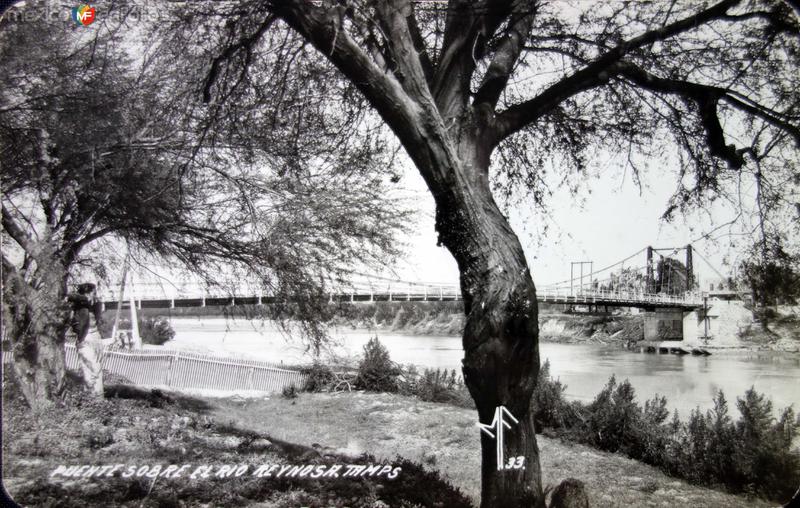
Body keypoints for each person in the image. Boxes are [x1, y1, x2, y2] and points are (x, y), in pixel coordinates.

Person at [67, 282, 104, 396]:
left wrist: (89, 298)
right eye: (93, 292)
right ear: (86, 293)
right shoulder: (79, 305)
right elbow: (71, 296)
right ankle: (91, 395)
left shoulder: (96, 304)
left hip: (95, 337)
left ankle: (96, 396)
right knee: (89, 366)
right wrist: (85, 297)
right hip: (85, 338)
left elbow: (95, 302)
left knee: (97, 367)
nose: (95, 295)